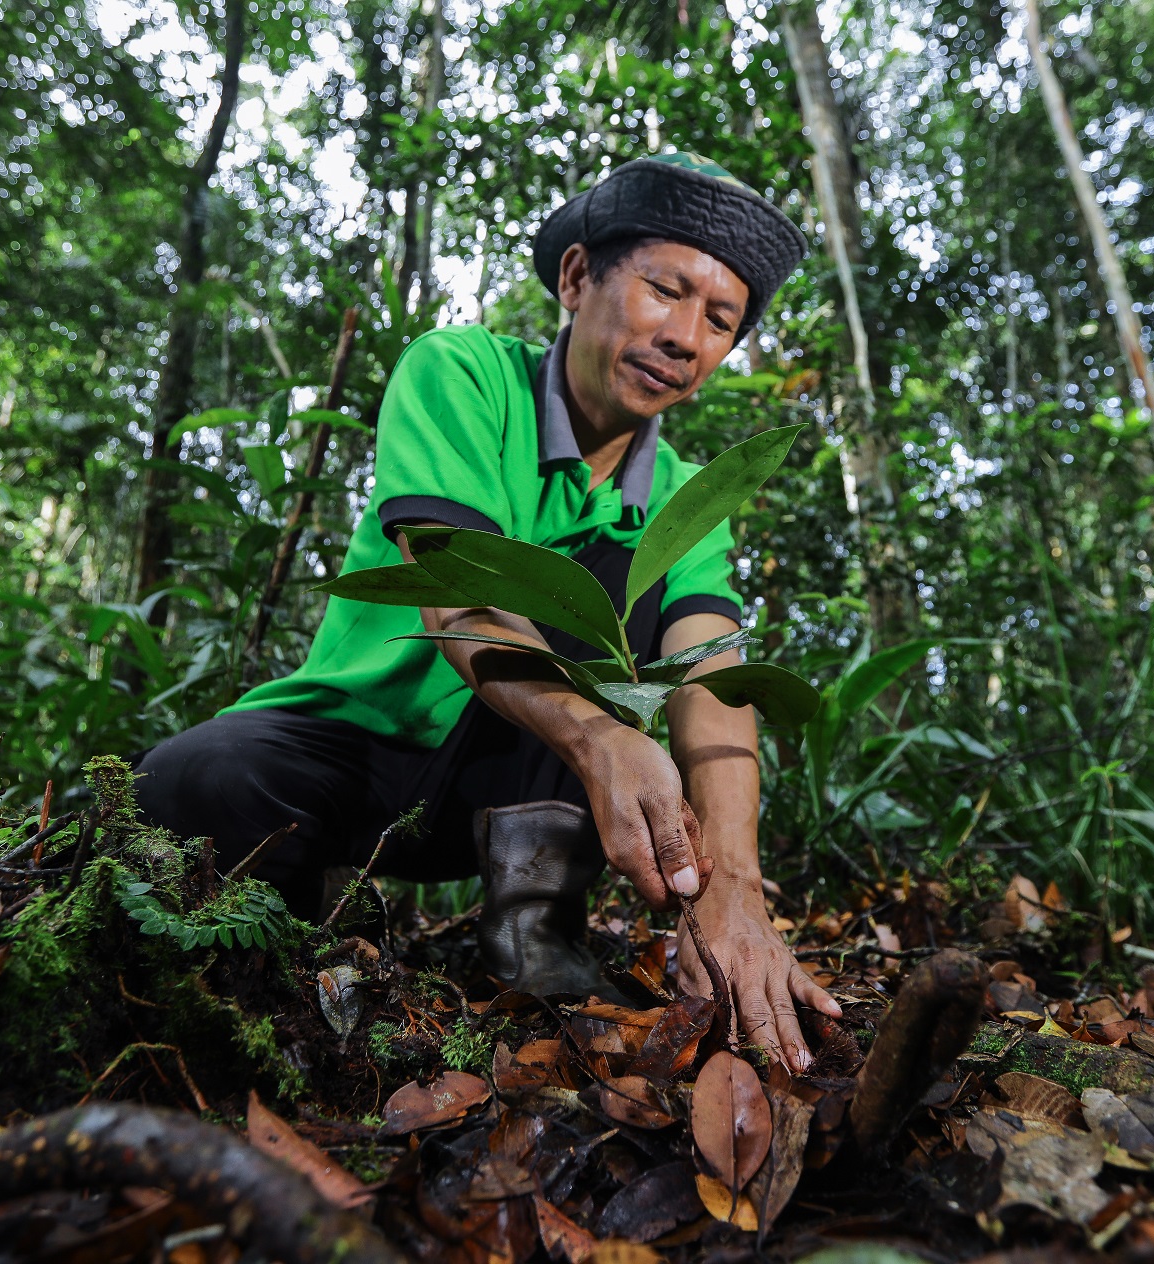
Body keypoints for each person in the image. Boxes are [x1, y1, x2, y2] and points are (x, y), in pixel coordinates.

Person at [136, 152, 843, 1069]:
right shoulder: (461, 373)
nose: (685, 337)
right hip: (365, 747)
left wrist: (739, 888)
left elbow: (713, 660)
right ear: (578, 276)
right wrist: (603, 737)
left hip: (522, 784)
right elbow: (457, 592)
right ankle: (288, 938)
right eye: (666, 291)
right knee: (186, 782)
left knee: (628, 574)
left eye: (719, 320)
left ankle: (537, 924)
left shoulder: (681, 494)